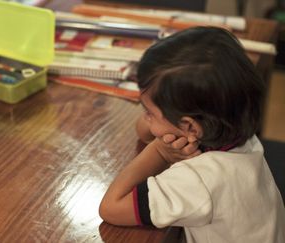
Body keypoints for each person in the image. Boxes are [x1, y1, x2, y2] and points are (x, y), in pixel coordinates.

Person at [99, 26, 285, 243]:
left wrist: (160, 151)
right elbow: (144, 132)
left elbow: (111, 207)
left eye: (149, 112)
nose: (145, 117)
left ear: (189, 127)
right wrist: (155, 122)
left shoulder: (198, 181)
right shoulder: (237, 135)